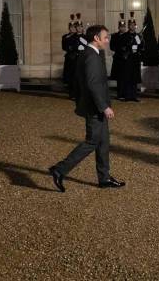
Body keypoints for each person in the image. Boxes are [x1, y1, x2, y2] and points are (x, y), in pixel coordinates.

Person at [49, 25, 125, 192]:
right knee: (92, 141)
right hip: (95, 107)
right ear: (96, 38)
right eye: (105, 37)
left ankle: (104, 178)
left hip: (95, 105)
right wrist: (104, 107)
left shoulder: (93, 53)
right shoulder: (90, 56)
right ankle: (60, 170)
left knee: (103, 142)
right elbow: (92, 84)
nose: (107, 40)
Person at [121, 12, 144, 102]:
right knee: (127, 77)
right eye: (130, 25)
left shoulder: (138, 36)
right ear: (128, 26)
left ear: (135, 26)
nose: (132, 26)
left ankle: (134, 95)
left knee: (134, 78)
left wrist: (138, 42)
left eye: (133, 25)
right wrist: (128, 47)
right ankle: (127, 95)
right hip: (128, 59)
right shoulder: (125, 36)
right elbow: (122, 46)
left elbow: (141, 46)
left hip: (135, 59)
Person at [109, 13, 128, 100]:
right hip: (118, 58)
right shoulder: (114, 36)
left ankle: (126, 94)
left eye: (124, 27)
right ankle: (120, 94)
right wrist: (120, 48)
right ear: (119, 27)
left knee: (126, 76)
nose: (122, 28)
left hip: (126, 58)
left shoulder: (129, 36)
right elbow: (112, 47)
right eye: (121, 27)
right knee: (119, 78)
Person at [62, 14, 77, 86]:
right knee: (69, 74)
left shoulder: (78, 36)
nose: (72, 29)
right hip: (69, 57)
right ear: (69, 28)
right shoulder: (65, 36)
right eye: (71, 27)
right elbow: (63, 47)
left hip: (77, 57)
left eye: (74, 27)